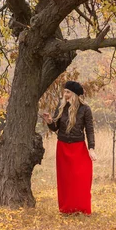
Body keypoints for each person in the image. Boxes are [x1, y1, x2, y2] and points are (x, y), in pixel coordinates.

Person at [42, 81, 97, 215]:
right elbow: (55, 128)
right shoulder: (61, 107)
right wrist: (50, 121)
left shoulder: (85, 109)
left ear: (75, 94)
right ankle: (67, 209)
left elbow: (89, 130)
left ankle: (82, 208)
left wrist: (91, 148)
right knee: (65, 180)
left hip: (79, 147)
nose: (65, 94)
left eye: (68, 92)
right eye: (65, 91)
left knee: (80, 179)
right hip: (63, 147)